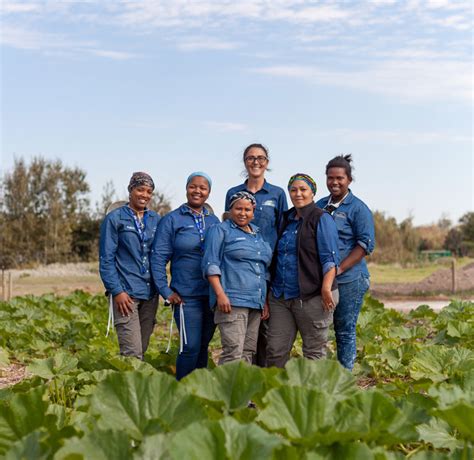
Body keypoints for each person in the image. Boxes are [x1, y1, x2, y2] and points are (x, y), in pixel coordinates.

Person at [266, 173, 340, 368]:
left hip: (313, 296)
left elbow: (330, 258)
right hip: (281, 296)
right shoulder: (285, 219)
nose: (298, 194)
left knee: (314, 352)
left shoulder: (321, 218)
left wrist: (326, 288)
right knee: (275, 350)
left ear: (312, 193)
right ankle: (276, 396)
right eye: (293, 189)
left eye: (303, 189)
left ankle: (312, 397)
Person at [151, 172, 220, 380]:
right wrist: (166, 291)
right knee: (189, 346)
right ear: (187, 188)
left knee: (203, 346)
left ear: (209, 192)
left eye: (203, 188)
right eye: (193, 186)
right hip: (185, 296)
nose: (197, 191)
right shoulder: (172, 220)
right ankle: (182, 392)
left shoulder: (214, 220)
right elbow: (158, 259)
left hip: (210, 295)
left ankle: (199, 392)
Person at [225, 143, 288, 366]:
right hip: (241, 271)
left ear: (267, 163)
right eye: (251, 158)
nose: (256, 162)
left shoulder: (277, 194)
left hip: (268, 268)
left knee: (266, 328)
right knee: (242, 331)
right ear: (245, 162)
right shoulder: (233, 193)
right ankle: (241, 379)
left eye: (260, 158)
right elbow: (228, 230)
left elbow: (282, 230)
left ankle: (261, 382)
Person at [316, 155, 375, 370]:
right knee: (320, 329)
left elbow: (364, 245)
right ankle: (326, 375)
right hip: (324, 279)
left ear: (349, 180)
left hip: (350, 278)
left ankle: (345, 378)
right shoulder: (320, 205)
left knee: (344, 328)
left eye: (340, 178)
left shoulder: (358, 208)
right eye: (330, 178)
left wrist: (339, 268)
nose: (335, 182)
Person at [203, 191, 273, 365]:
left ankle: (242, 391)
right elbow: (211, 264)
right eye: (238, 208)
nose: (243, 213)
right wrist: (220, 295)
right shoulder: (221, 230)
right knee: (232, 352)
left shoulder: (257, 235)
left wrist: (263, 300)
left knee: (248, 352)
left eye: (247, 209)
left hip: (255, 302)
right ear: (230, 209)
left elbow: (263, 269)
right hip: (232, 301)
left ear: (253, 211)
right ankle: (225, 392)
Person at [99, 172, 161, 360]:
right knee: (132, 353)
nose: (144, 195)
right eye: (140, 189)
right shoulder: (115, 219)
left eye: (149, 191)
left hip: (150, 293)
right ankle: (127, 389)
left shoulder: (156, 220)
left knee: (141, 347)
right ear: (130, 190)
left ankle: (134, 386)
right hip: (126, 294)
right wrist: (116, 291)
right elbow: (106, 259)